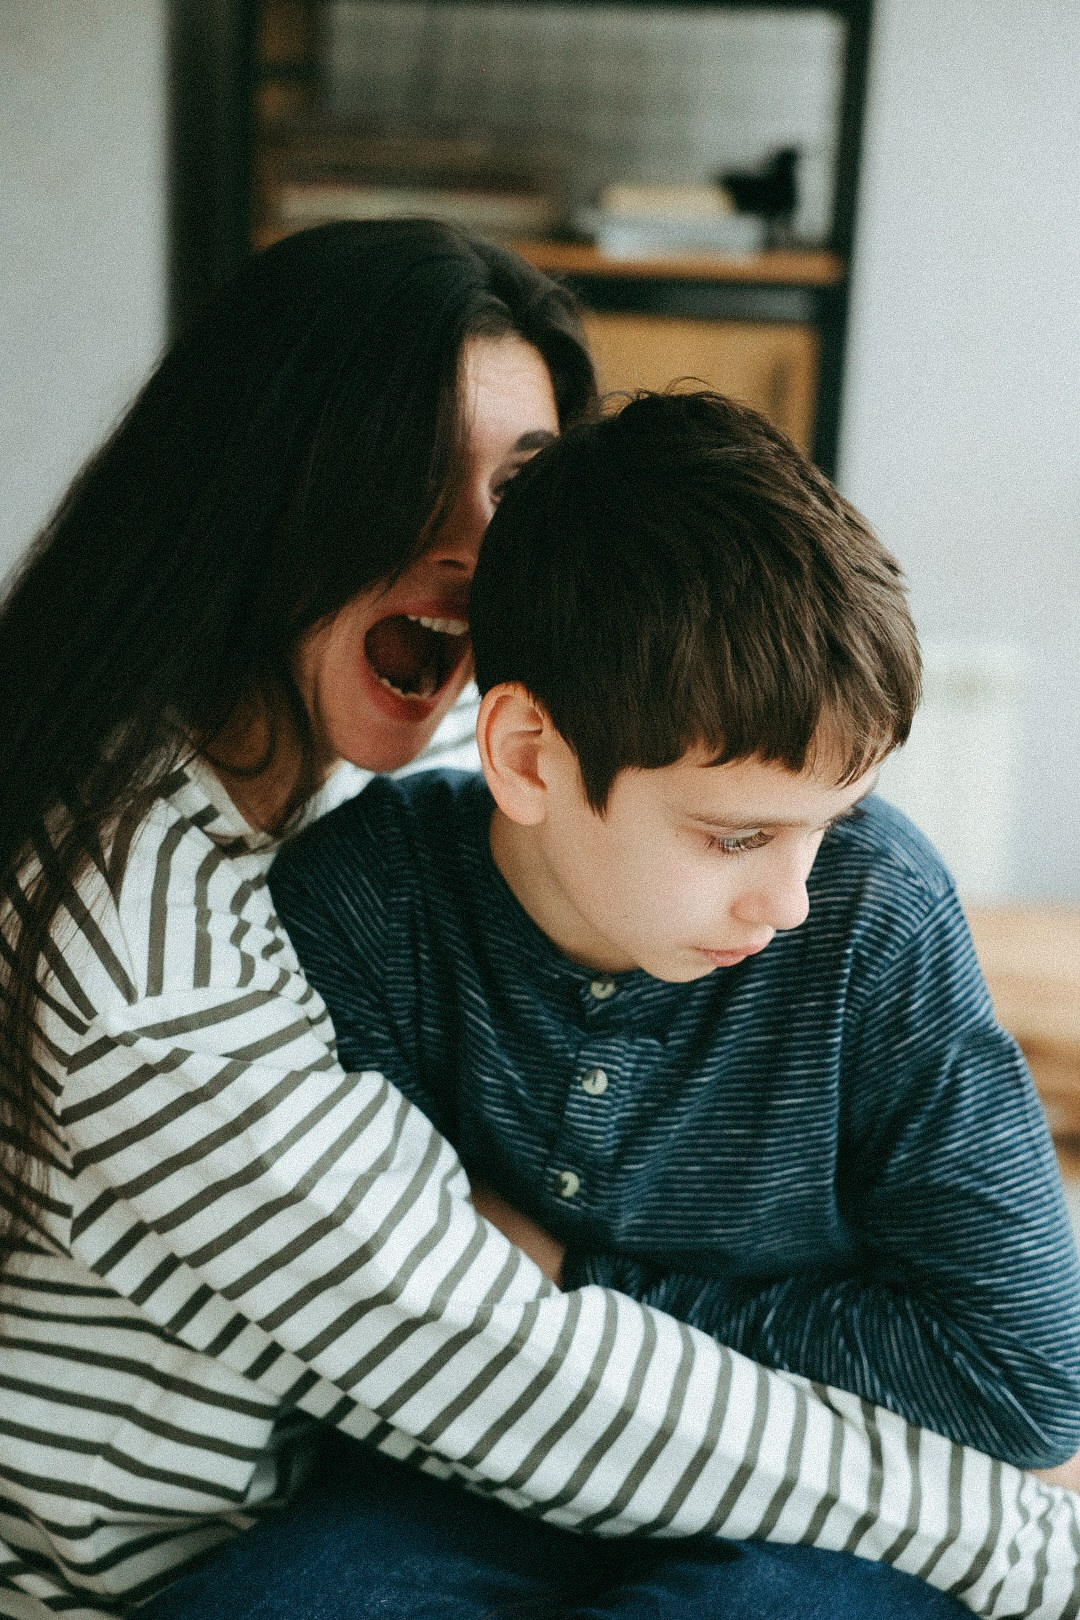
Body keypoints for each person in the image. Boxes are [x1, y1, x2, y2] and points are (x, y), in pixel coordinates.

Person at [0, 221, 1072, 1620]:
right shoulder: (176, 947)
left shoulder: (378, 770)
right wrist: (1032, 1553)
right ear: (257, 487)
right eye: (405, 479)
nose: (480, 552)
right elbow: (493, 1366)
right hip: (179, 1545)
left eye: (517, 484)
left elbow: (1016, 1367)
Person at [268, 388, 1080, 1476]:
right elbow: (390, 1303)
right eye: (739, 838)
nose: (790, 902)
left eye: (827, 827)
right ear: (526, 758)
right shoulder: (365, 904)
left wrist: (576, 1280)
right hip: (464, 1482)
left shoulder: (872, 912)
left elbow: (1026, 1385)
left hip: (788, 1495)